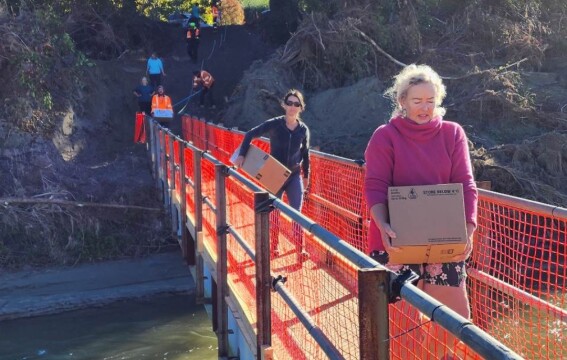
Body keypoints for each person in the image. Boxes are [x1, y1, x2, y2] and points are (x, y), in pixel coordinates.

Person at [364, 64, 478, 360]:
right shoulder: (384, 136)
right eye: (417, 101)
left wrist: (468, 229)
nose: (424, 108)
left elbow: (466, 184)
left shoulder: (453, 133)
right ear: (402, 101)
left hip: (444, 239)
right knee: (401, 323)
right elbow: (375, 186)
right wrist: (383, 223)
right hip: (396, 240)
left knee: (454, 315)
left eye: (430, 100)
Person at [234, 89, 310, 259]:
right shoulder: (275, 124)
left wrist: (306, 175)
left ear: (300, 108)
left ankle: (300, 250)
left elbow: (305, 153)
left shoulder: (303, 130)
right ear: (284, 105)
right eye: (289, 103)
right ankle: (273, 247)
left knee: (296, 213)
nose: (292, 107)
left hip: (294, 175)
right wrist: (241, 155)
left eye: (296, 104)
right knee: (274, 211)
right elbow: (250, 134)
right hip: (274, 173)